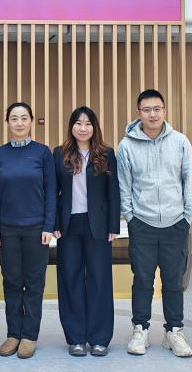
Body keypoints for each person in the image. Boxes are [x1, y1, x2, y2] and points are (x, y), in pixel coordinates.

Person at [117, 89, 192, 358]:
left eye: (157, 109)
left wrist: (187, 217)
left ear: (164, 110)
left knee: (173, 280)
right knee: (142, 279)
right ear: (138, 113)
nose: (152, 114)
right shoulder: (127, 146)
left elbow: (189, 180)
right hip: (142, 223)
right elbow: (124, 186)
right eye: (147, 110)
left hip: (175, 223)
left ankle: (173, 331)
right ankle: (140, 330)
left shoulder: (180, 142)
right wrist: (131, 218)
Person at [0, 102, 57, 359]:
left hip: (36, 228)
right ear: (7, 122)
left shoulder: (43, 153)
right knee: (12, 281)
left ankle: (29, 335)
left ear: (31, 121)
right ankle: (13, 333)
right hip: (7, 228)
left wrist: (49, 225)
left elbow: (52, 192)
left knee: (34, 283)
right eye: (14, 118)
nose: (19, 123)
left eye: (24, 118)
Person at [53, 106, 120, 357]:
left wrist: (113, 225)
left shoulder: (106, 153)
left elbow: (113, 191)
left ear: (95, 127)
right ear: (71, 126)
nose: (83, 128)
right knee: (69, 279)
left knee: (99, 279)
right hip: (68, 225)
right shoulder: (59, 153)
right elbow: (53, 191)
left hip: (98, 225)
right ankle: (76, 337)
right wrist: (54, 223)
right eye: (78, 123)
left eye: (88, 123)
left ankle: (100, 338)